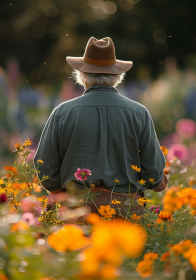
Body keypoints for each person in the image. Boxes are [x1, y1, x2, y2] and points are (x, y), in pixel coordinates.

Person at [34, 37, 167, 218]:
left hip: (77, 210)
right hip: (126, 211)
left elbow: (45, 168)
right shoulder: (139, 112)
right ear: (117, 76)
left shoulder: (63, 113)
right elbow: (154, 176)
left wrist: (66, 194)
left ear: (82, 76)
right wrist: (160, 181)